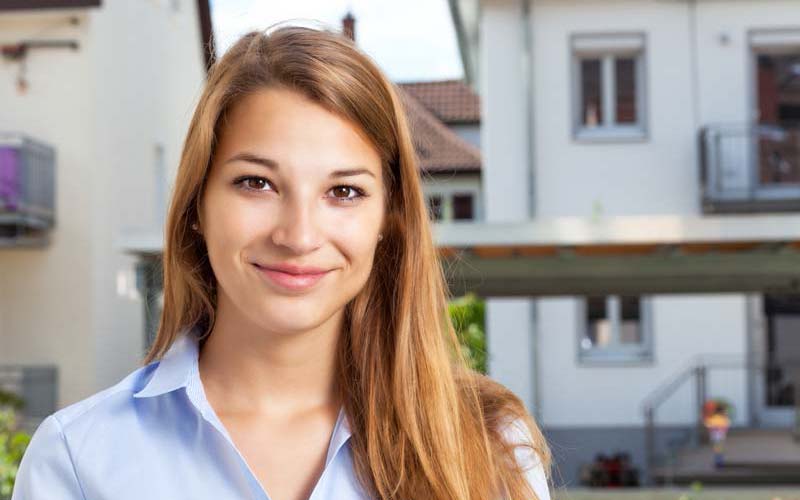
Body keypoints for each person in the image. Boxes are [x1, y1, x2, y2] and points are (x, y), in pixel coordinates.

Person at [12, 25, 551, 500]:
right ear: (197, 204)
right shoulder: (79, 460)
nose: (298, 235)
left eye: (343, 191)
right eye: (257, 183)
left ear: (390, 221)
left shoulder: (489, 447)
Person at [704, 403, 731, 468]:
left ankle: (718, 462)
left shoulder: (712, 418)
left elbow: (708, 425)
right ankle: (719, 462)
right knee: (720, 449)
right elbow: (726, 426)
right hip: (721, 435)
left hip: (714, 436)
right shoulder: (724, 418)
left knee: (717, 449)